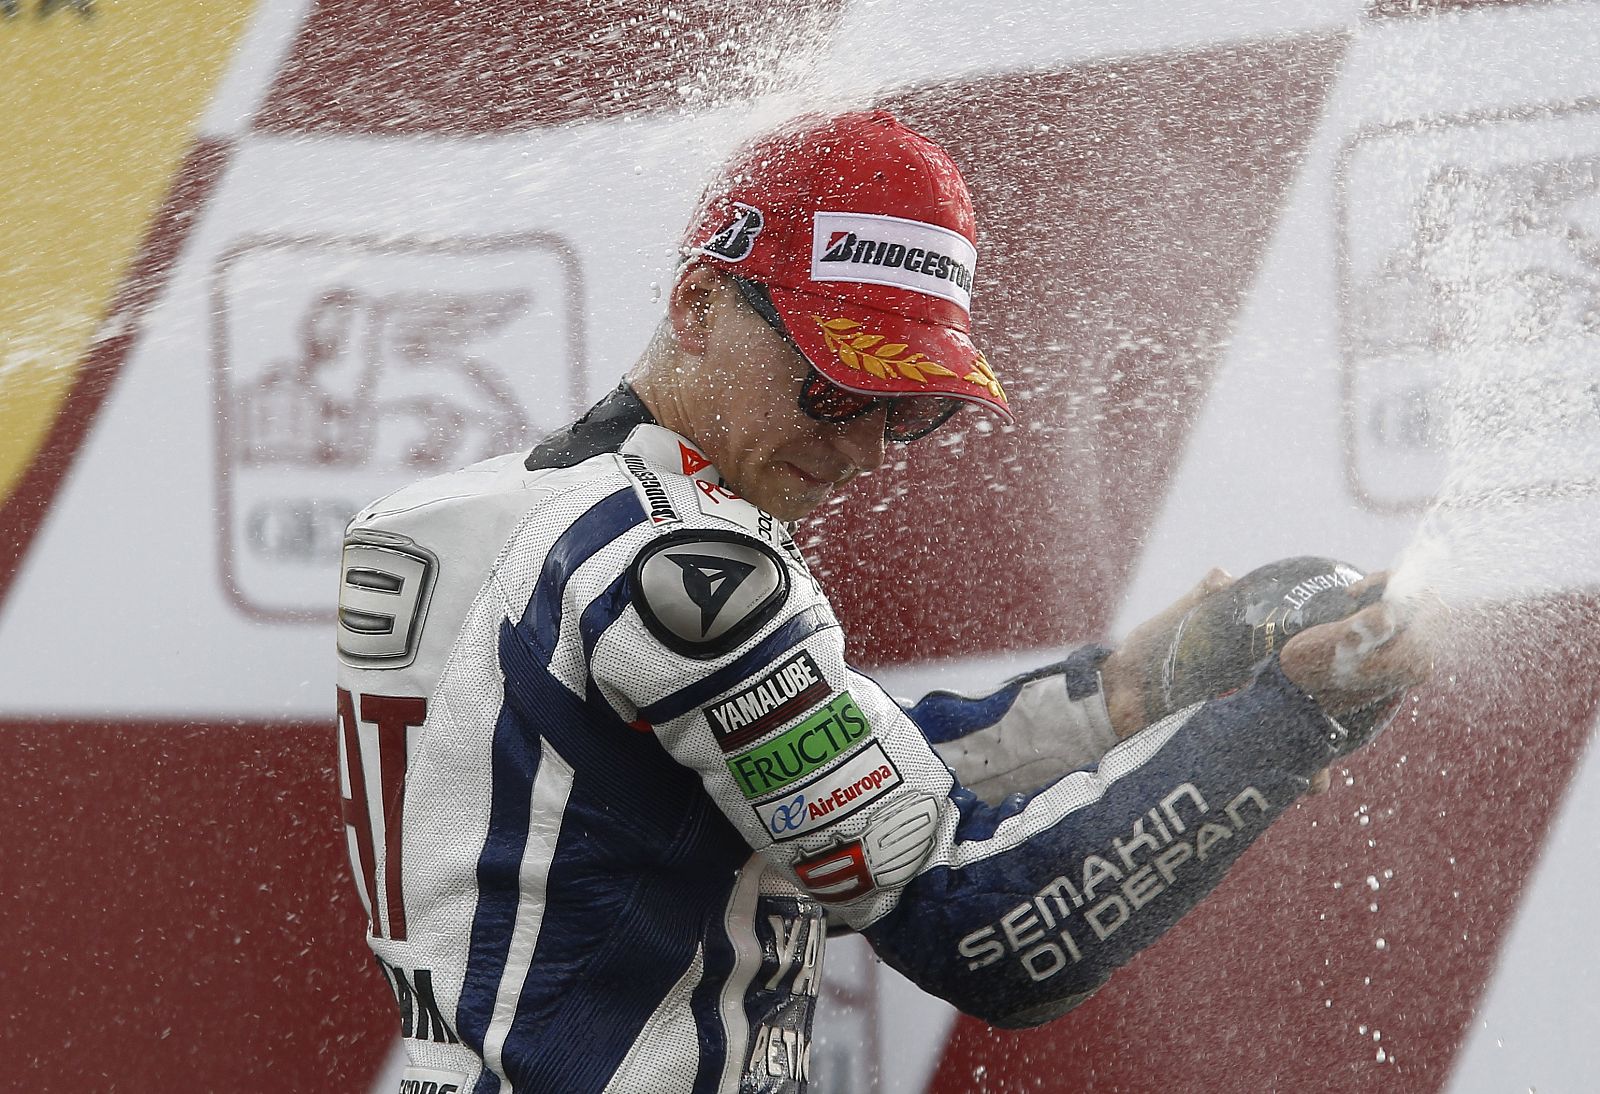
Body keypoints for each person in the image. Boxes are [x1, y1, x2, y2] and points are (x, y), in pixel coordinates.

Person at [334, 110, 1429, 1093]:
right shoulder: (681, 563)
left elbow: (796, 768)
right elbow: (986, 931)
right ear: (698, 301)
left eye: (909, 410)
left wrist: (1126, 691)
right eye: (836, 381)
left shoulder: (459, 517)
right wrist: (1287, 722)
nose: (865, 448)